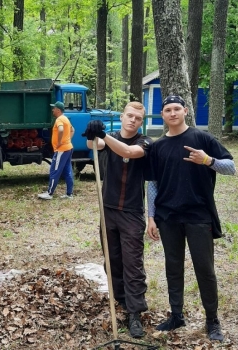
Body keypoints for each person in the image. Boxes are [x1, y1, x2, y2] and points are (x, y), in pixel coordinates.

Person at [146, 95, 236, 342]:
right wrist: (151, 217)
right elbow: (152, 184)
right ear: (162, 115)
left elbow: (232, 166)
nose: (172, 113)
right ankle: (176, 315)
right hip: (168, 217)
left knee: (205, 270)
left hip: (198, 215)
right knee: (172, 267)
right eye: (167, 110)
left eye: (177, 109)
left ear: (185, 111)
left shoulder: (201, 138)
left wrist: (208, 160)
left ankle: (212, 320)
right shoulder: (157, 147)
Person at [82, 102, 153, 339]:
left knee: (133, 264)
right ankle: (121, 301)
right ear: (122, 117)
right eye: (129, 116)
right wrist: (93, 133)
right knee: (112, 261)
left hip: (132, 213)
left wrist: (103, 136)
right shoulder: (109, 137)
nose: (133, 120)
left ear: (141, 122)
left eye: (138, 118)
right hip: (108, 210)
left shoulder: (146, 142)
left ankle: (135, 313)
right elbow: (94, 144)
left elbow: (129, 153)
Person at [38, 101, 74, 200]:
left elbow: (61, 130)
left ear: (58, 110)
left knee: (54, 170)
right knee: (67, 171)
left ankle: (49, 193)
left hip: (61, 150)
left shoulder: (59, 120)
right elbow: (72, 130)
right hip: (68, 148)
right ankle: (69, 194)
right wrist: (68, 140)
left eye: (54, 108)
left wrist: (59, 142)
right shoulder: (66, 118)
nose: (52, 110)